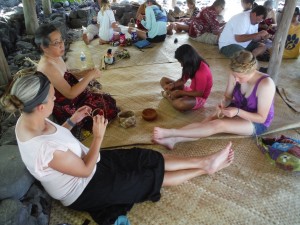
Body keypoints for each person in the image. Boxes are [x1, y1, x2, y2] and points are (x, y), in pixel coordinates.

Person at [1, 73, 234, 225]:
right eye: (53, 98)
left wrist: (71, 121)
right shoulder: (41, 148)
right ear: (41, 107)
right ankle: (206, 166)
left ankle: (203, 162)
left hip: (90, 164)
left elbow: (57, 137)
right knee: (147, 178)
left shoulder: (28, 118)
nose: (55, 101)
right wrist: (98, 137)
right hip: (83, 188)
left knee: (143, 156)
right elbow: (83, 170)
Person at [153, 50, 275, 150]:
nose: (236, 80)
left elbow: (261, 118)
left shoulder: (266, 85)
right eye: (234, 76)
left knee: (218, 125)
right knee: (207, 121)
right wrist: (223, 104)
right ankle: (174, 140)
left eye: (240, 77)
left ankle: (172, 133)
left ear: (252, 71)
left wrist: (237, 112)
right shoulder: (235, 74)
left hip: (256, 122)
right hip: (236, 108)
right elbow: (228, 97)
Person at [35, 24, 119, 138]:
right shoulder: (47, 67)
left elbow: (66, 74)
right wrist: (89, 76)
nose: (61, 45)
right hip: (68, 105)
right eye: (56, 43)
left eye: (61, 40)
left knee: (109, 101)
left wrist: (84, 73)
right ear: (44, 47)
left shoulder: (55, 56)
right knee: (103, 112)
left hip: (76, 96)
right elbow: (70, 94)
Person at [160, 44, 213, 111]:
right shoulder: (192, 64)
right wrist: (172, 85)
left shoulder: (202, 72)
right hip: (191, 91)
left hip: (199, 97)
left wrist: (180, 92)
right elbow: (183, 80)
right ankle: (173, 95)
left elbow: (199, 94)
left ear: (188, 60)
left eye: (182, 63)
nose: (181, 65)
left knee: (180, 104)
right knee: (163, 80)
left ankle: (168, 97)